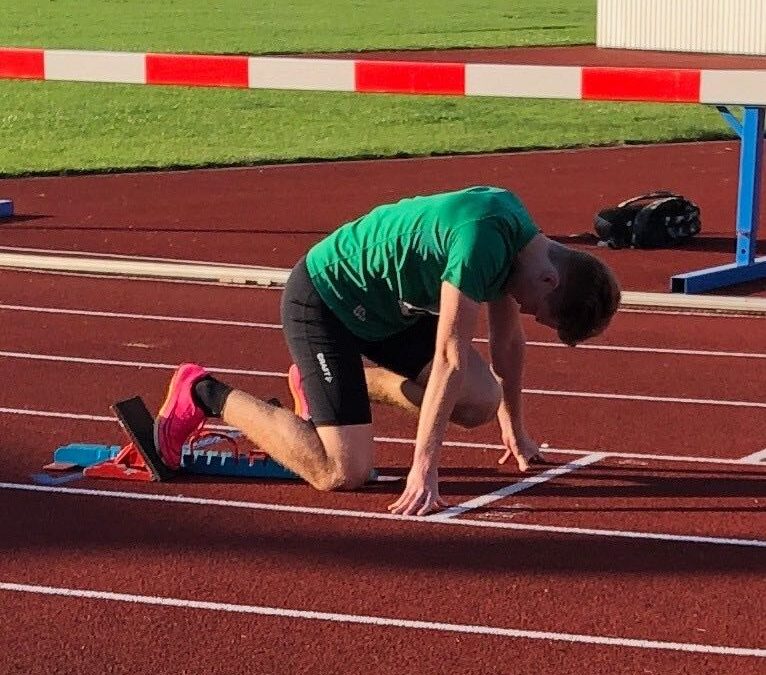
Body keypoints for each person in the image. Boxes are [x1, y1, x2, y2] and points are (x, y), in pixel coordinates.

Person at [154, 186, 621, 516]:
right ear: (549, 279)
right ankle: (201, 392)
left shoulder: (521, 246)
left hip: (388, 313)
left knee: (481, 403)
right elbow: (450, 359)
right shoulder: (483, 241)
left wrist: (514, 430)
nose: (525, 309)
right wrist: (424, 469)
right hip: (326, 299)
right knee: (341, 471)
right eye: (539, 309)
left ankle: (325, 387)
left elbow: (508, 342)